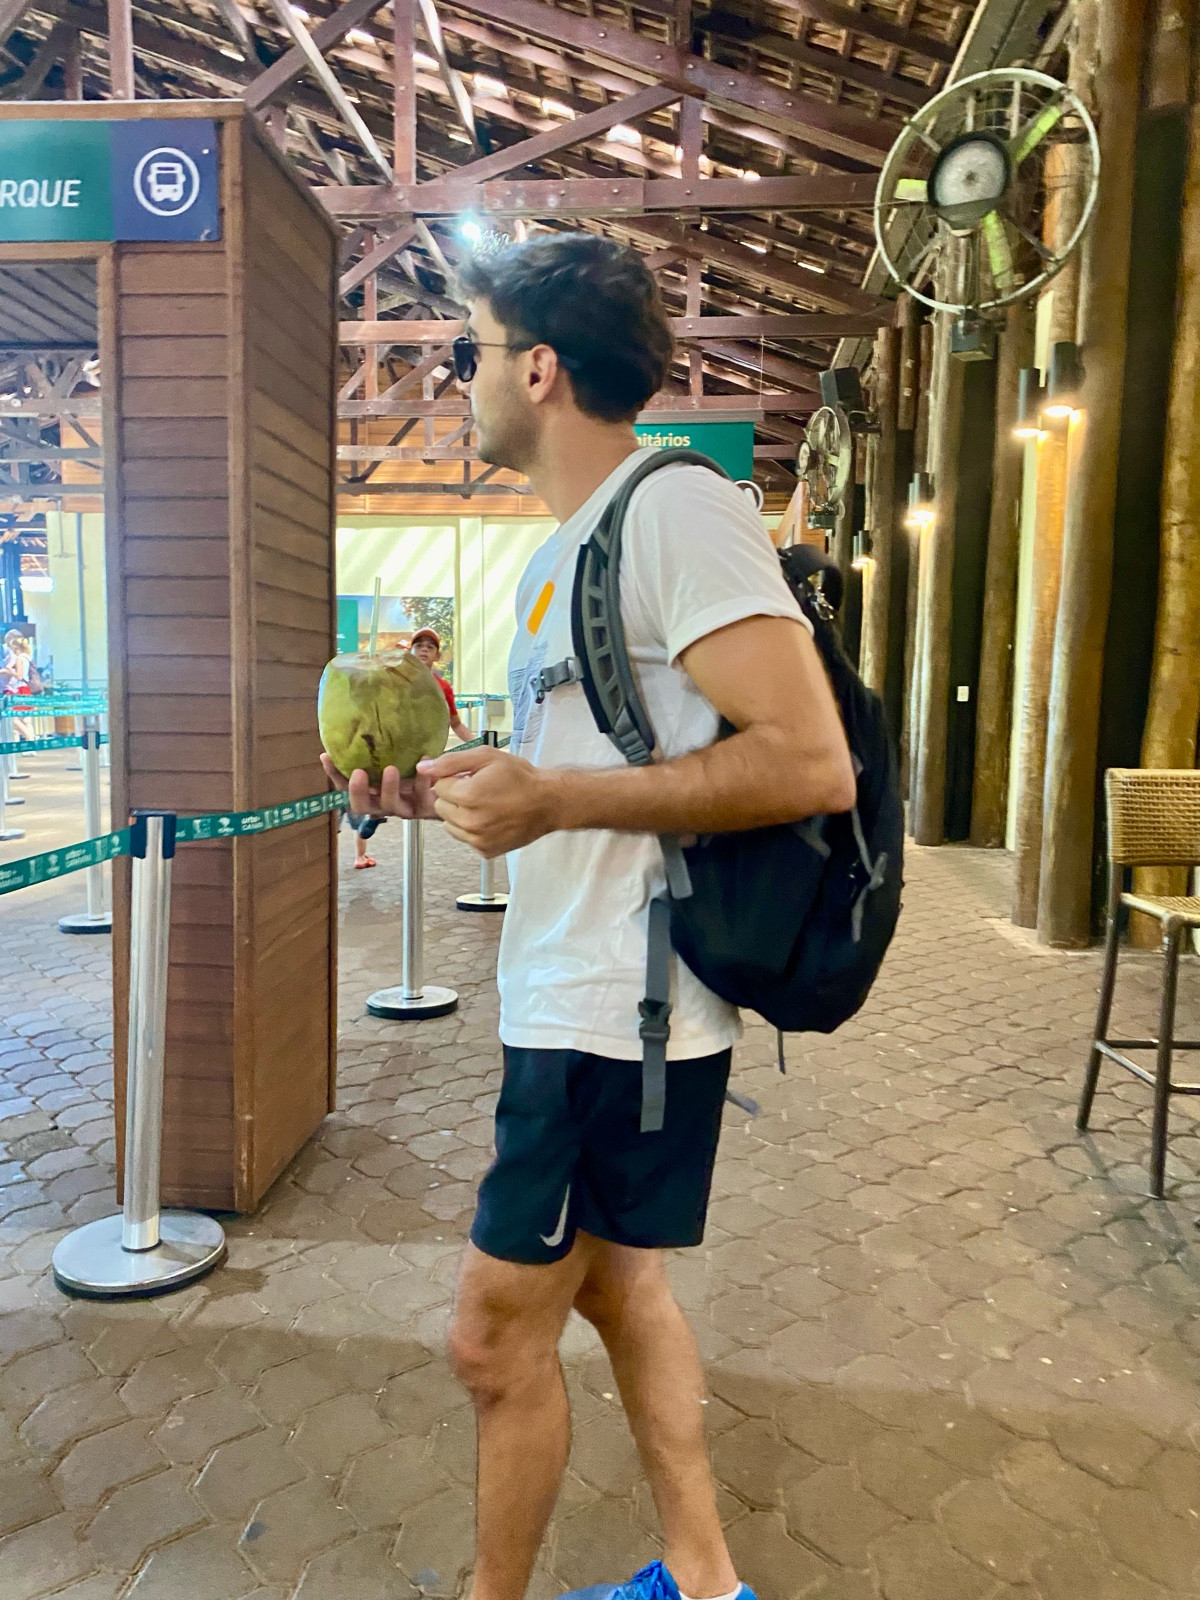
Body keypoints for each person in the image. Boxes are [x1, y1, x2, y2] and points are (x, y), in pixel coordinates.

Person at [321, 234, 855, 1600]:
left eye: (470, 351)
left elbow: (809, 760)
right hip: (587, 998)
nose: (459, 379)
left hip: (618, 1014)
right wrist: (451, 788)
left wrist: (553, 799)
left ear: (539, 368)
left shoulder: (675, 512)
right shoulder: (562, 555)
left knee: (492, 1342)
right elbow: (588, 764)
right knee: (621, 1288)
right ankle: (706, 1579)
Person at [410, 627, 473, 742]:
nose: (424, 649)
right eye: (419, 645)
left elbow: (456, 724)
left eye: (430, 647)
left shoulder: (444, 687)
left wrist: (477, 744)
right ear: (409, 652)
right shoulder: (395, 681)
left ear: (437, 656)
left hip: (429, 747)